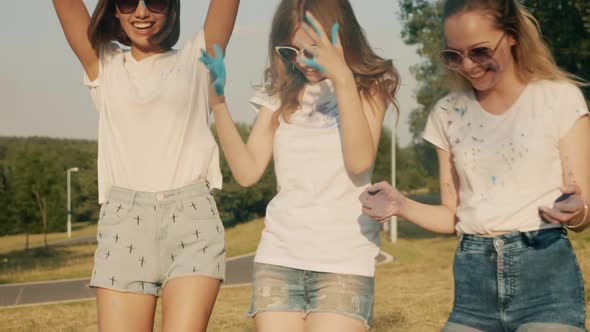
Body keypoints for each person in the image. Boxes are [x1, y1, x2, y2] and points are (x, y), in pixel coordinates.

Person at [360, 0, 589, 331]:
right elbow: (453, 215)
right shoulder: (447, 113)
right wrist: (400, 205)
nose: (467, 65)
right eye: (454, 55)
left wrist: (577, 209)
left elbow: (584, 212)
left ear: (511, 36)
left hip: (546, 278)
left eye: (480, 51)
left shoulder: (559, 99)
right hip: (473, 288)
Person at [199, 0, 399, 330]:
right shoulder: (280, 94)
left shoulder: (368, 87)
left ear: (340, 36)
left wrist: (342, 77)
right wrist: (218, 102)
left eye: (311, 51)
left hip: (343, 264)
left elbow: (359, 161)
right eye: (290, 52)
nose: (301, 62)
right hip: (278, 259)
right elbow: (247, 172)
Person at [52, 0, 239, 330]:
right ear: (114, 10)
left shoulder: (199, 57)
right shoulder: (104, 64)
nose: (141, 12)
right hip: (124, 224)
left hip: (192, 222)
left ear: (171, 8)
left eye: (153, 1)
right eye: (127, 2)